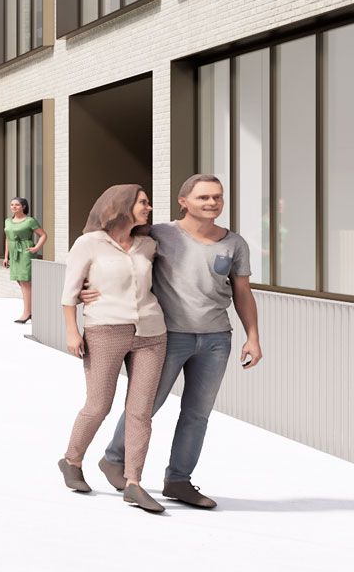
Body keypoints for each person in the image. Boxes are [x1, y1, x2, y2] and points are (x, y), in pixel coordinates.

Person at [95, 175, 263, 509]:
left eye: (217, 197)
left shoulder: (234, 244)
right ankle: (114, 459)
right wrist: (87, 288)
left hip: (216, 339)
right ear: (183, 201)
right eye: (203, 197)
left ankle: (178, 481)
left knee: (197, 414)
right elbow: (111, 253)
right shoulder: (158, 233)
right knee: (145, 406)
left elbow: (243, 292)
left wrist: (253, 337)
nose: (212, 203)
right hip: (164, 336)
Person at [57, 184, 169, 512]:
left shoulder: (149, 245)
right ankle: (71, 460)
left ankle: (133, 482)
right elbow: (70, 291)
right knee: (98, 406)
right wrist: (72, 331)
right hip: (104, 329)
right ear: (121, 205)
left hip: (151, 331)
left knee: (140, 412)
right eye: (143, 203)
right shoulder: (88, 244)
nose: (148, 208)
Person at [3, 198, 45, 324]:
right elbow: (8, 239)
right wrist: (6, 257)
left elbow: (43, 235)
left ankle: (27, 313)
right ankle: (31, 310)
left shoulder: (29, 221)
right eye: (12, 205)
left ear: (24, 207)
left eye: (17, 205)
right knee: (20, 281)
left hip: (25, 252)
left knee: (25, 282)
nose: (13, 207)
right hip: (14, 253)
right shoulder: (8, 221)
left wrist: (36, 248)